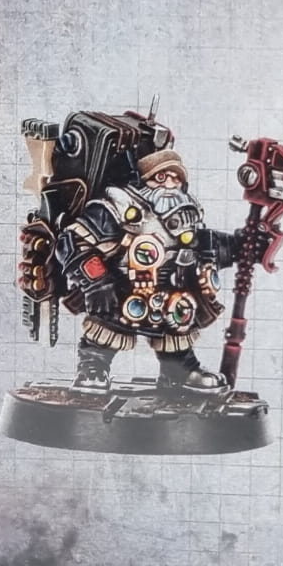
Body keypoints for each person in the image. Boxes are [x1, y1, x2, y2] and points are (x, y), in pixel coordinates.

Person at [53, 147, 238, 395]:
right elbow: (72, 243)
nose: (169, 184)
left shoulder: (188, 213)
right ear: (143, 180)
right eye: (161, 177)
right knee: (107, 327)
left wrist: (242, 245)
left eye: (176, 178)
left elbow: (207, 245)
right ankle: (93, 367)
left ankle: (179, 371)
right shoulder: (118, 207)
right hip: (120, 286)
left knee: (175, 329)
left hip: (170, 291)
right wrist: (97, 282)